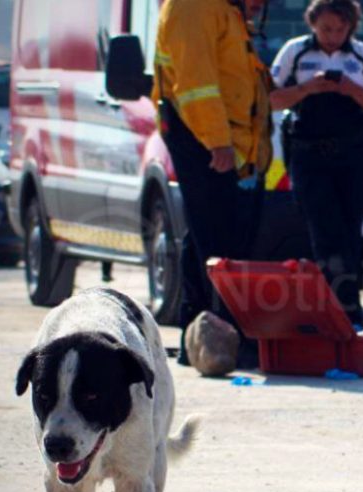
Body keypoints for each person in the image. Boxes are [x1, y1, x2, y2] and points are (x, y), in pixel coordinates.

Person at [152, 0, 274, 365]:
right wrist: (217, 141)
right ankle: (221, 335)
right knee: (218, 241)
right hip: (204, 140)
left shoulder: (223, 10)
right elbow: (195, 83)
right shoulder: (194, 7)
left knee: (207, 236)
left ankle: (201, 338)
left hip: (219, 142)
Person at [269, 0, 363, 326]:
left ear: (351, 27)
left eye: (339, 29)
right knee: (325, 234)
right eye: (326, 29)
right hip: (310, 156)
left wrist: (349, 89)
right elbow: (272, 98)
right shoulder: (295, 52)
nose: (332, 36)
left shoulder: (361, 55)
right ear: (312, 24)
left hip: (354, 157)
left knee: (349, 234)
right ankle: (335, 311)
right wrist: (309, 88)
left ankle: (348, 311)